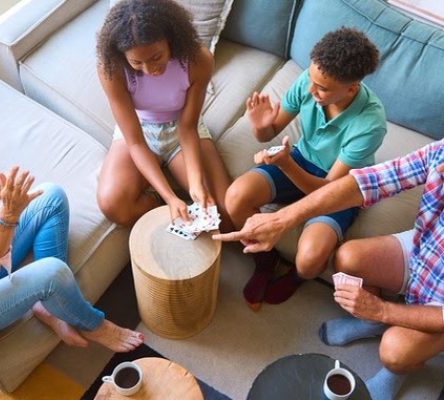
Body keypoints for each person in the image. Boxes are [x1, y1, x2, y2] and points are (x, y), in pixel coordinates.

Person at [214, 140, 444, 400]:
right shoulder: (441, 151)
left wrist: (383, 310)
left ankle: (397, 371)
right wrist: (282, 218)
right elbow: (369, 181)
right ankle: (371, 322)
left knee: (395, 351)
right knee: (348, 258)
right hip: (425, 251)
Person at [223, 27, 386, 310]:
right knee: (236, 196)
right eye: (311, 80)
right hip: (301, 159)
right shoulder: (309, 82)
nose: (311, 91)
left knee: (310, 260)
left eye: (322, 88)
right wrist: (261, 127)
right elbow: (271, 130)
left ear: (351, 88)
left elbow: (329, 191)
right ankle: (265, 260)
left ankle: (297, 276)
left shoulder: (370, 124)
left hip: (341, 186)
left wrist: (285, 164)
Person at [0, 166, 144, 355]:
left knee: (51, 196)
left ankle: (49, 305)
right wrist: (8, 217)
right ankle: (95, 326)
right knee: (52, 273)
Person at [95, 0, 232, 231]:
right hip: (140, 130)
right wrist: (169, 197)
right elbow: (136, 142)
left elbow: (188, 128)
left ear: (170, 39)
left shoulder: (199, 60)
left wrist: (196, 182)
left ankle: (184, 194)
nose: (150, 70)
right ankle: (163, 204)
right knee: (113, 205)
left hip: (182, 128)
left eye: (156, 57)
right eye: (137, 62)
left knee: (225, 215)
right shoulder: (110, 69)